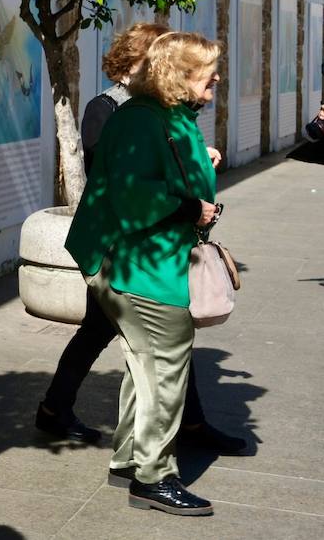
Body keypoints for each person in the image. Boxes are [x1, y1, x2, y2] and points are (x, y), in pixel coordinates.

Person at [37, 23, 246, 456]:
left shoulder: (166, 111)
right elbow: (116, 178)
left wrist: (193, 167)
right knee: (143, 346)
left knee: (147, 348)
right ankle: (145, 451)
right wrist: (186, 199)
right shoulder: (116, 109)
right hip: (125, 249)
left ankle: (171, 431)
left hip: (146, 248)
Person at [65, 31, 225, 516]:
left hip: (149, 260)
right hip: (140, 265)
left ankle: (130, 461)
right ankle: (153, 477)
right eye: (206, 71)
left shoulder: (164, 115)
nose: (215, 78)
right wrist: (190, 208)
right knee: (163, 367)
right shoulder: (142, 119)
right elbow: (133, 193)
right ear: (177, 75)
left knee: (147, 365)